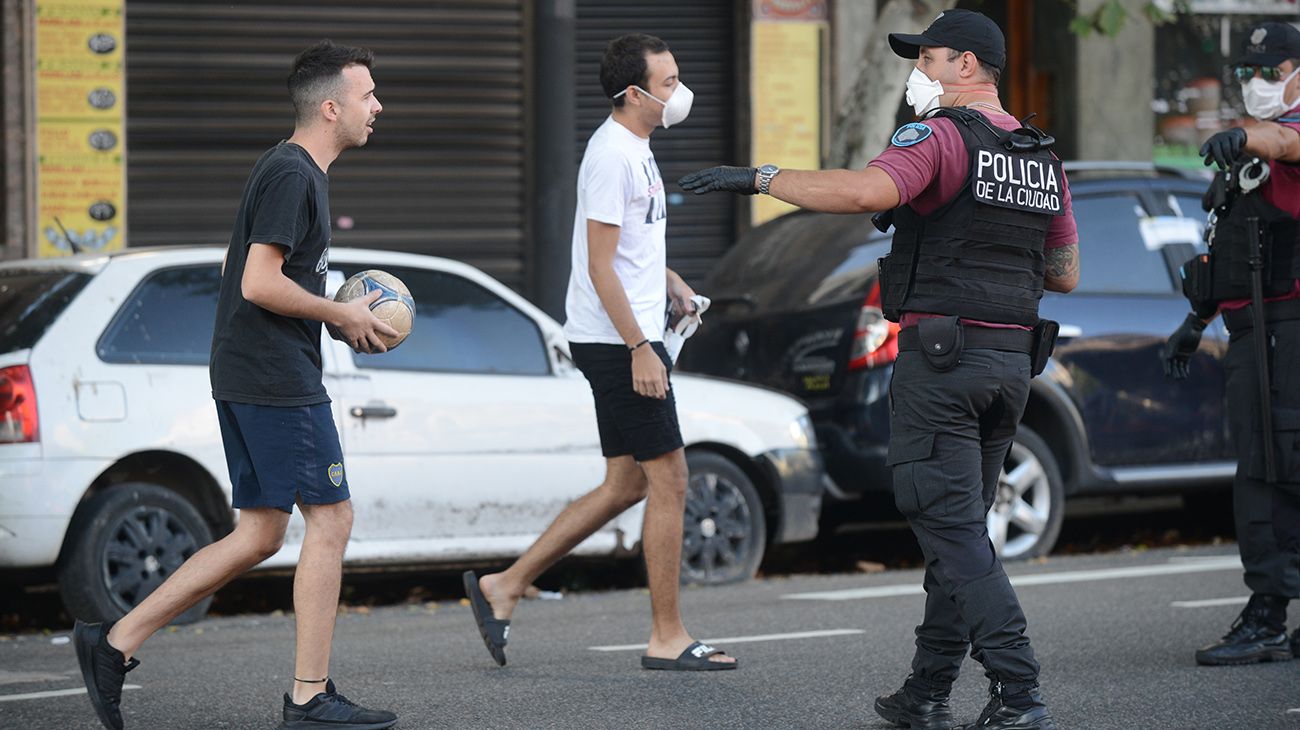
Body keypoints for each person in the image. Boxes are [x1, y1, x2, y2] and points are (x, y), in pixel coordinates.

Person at [680, 9, 1077, 729]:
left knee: (949, 527)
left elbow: (868, 192)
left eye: (926, 60)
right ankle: (926, 692)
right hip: (1011, 364)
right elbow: (1065, 270)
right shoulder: (1038, 154)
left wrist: (761, 176)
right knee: (957, 531)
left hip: (944, 362)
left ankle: (1019, 691)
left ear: (966, 65)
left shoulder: (938, 135)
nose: (916, 74)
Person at [73, 40, 399, 730]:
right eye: (369, 95)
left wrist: (331, 320)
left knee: (257, 534)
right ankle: (310, 697)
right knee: (332, 519)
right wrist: (338, 310)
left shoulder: (288, 169)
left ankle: (112, 642)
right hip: (274, 377)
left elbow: (260, 278)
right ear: (332, 105)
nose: (379, 107)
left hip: (251, 369)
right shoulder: (295, 174)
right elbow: (257, 282)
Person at [461, 33, 736, 673]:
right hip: (619, 343)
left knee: (626, 483)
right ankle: (666, 636)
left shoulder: (637, 148)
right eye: (668, 84)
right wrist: (641, 346)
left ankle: (502, 586)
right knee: (671, 478)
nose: (680, 93)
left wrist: (670, 284)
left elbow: (632, 250)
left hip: (623, 334)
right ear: (635, 94)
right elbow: (599, 265)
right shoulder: (613, 155)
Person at [1163, 21, 1300, 667]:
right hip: (1254, 329)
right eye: (1247, 73)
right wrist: (1196, 322)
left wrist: (1249, 135)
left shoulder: (1281, 136)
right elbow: (1233, 247)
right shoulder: (1252, 157)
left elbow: (1282, 137)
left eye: (1269, 71)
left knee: (1270, 472)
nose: (1255, 83)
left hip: (1289, 330)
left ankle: (1268, 613)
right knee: (1274, 465)